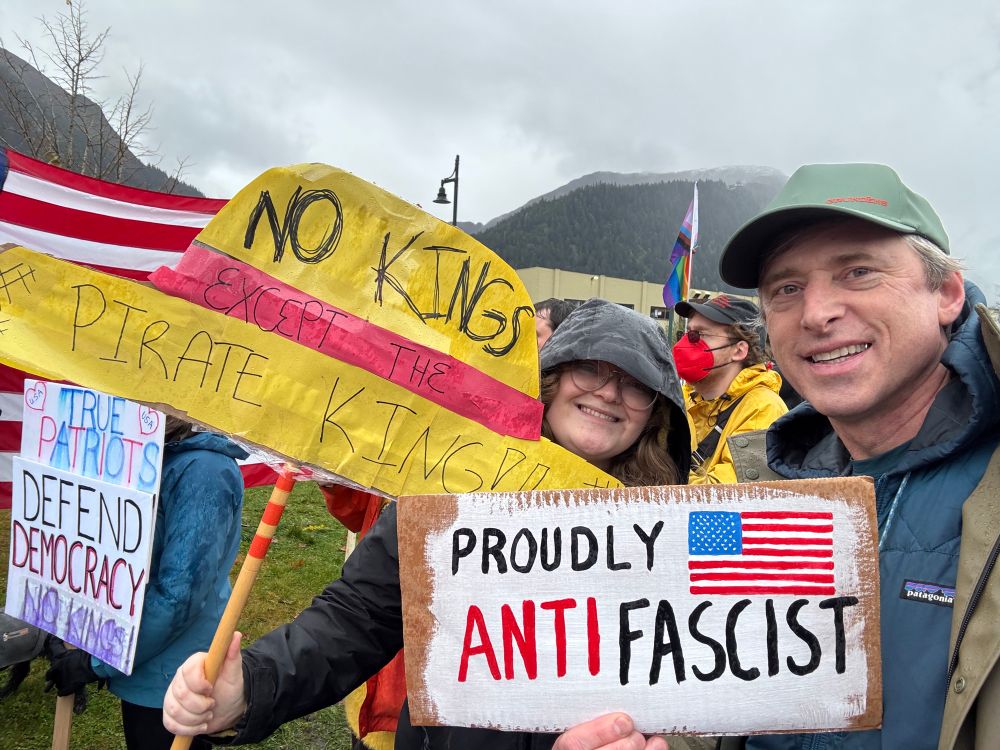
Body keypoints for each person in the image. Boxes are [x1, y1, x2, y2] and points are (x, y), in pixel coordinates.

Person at [552, 162, 1000, 750]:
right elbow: (720, 677)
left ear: (945, 293)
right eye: (787, 289)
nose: (816, 314)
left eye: (858, 272)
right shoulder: (757, 488)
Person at [162, 298, 692, 749]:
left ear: (655, 413)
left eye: (635, 385)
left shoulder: (669, 532)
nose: (608, 393)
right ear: (551, 379)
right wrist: (252, 685)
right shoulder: (455, 489)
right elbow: (357, 617)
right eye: (592, 369)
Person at [46, 417, 247, 750]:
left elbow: (178, 597)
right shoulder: (150, 452)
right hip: (145, 659)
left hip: (175, 675)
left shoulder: (204, 470)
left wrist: (96, 661)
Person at [671, 294, 787, 483]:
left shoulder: (764, 408)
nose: (685, 343)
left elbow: (727, 499)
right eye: (687, 333)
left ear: (739, 350)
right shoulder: (680, 399)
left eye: (699, 335)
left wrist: (655, 471)